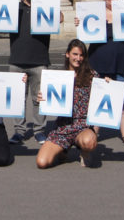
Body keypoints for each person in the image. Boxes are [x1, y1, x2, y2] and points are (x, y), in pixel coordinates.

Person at [79, 0, 124, 147]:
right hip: (98, 63)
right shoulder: (95, 14)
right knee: (97, 100)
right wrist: (79, 23)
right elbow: (85, 36)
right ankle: (94, 132)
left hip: (123, 62)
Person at [3, 0, 57, 145]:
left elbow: (60, 18)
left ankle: (39, 130)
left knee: (38, 98)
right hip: (16, 60)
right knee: (18, 99)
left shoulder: (44, 7)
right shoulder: (14, 8)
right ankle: (19, 131)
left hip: (39, 60)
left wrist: (47, 2)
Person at [36, 39, 99, 169]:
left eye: (81, 55)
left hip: (82, 126)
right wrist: (42, 98)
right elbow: (50, 99)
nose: (78, 58)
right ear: (67, 54)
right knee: (42, 162)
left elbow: (105, 95)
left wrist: (108, 83)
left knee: (89, 142)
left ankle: (84, 152)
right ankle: (63, 150)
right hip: (62, 127)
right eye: (75, 54)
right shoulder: (57, 76)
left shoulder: (92, 76)